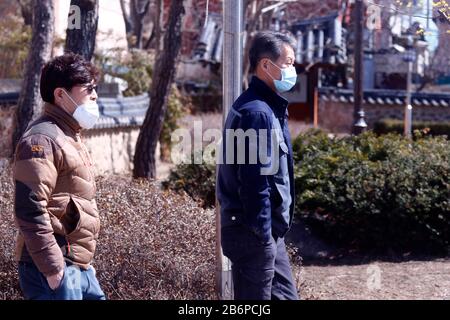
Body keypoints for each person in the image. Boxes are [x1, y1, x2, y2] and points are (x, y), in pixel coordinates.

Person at [13, 53, 105, 300]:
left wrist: (82, 264)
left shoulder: (69, 135)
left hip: (76, 266)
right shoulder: (42, 139)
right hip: (51, 268)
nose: (94, 96)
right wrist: (55, 269)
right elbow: (29, 208)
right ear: (61, 94)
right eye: (88, 89)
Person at [217, 31, 299, 300]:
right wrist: (262, 234)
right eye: (288, 63)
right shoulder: (256, 112)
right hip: (254, 234)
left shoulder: (265, 107)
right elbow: (254, 182)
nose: (293, 70)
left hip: (264, 234)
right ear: (266, 65)